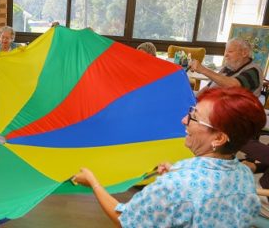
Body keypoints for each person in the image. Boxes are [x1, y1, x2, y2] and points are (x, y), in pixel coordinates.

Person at [72, 86, 265, 227]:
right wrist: (174, 177)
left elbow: (125, 220)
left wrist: (93, 183)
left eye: (194, 117)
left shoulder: (175, 185)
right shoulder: (243, 175)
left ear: (220, 138)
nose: (184, 120)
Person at [189, 38, 263, 96]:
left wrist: (203, 69)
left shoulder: (253, 71)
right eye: (225, 51)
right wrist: (194, 102)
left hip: (233, 113)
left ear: (244, 53)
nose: (225, 55)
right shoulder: (227, 68)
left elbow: (233, 86)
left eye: (230, 51)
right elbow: (208, 87)